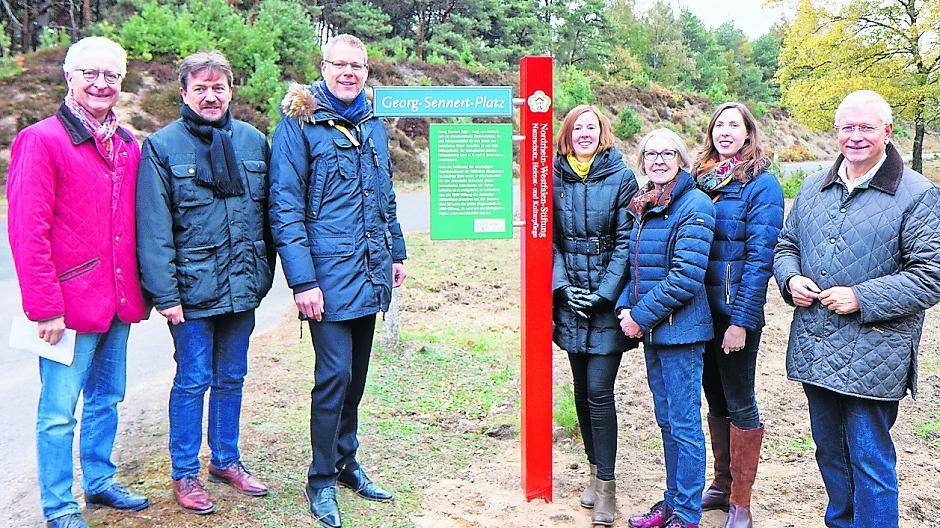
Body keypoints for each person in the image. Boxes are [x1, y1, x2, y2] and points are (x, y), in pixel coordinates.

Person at [774, 89, 940, 527]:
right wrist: (791, 279)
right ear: (836, 131)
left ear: (887, 131)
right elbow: (786, 244)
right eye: (848, 127)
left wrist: (861, 298)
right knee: (829, 453)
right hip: (816, 346)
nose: (856, 136)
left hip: (873, 356)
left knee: (870, 460)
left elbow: (931, 276)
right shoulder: (814, 187)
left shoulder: (918, 194)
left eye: (867, 127)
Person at [6, 36, 150, 528]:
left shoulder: (129, 145)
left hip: (117, 302)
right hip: (65, 307)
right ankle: (60, 507)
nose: (101, 83)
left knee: (107, 398)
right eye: (91, 73)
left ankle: (100, 480)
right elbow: (28, 230)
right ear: (70, 76)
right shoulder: (41, 139)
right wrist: (43, 306)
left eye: (111, 75)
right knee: (58, 412)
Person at [269, 34, 408, 528]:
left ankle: (348, 462)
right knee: (334, 378)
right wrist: (302, 282)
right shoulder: (300, 122)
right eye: (339, 64)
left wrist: (396, 250)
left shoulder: (370, 122)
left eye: (357, 66)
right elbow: (285, 207)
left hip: (370, 273)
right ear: (323, 66)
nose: (348, 72)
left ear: (367, 71)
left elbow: (384, 192)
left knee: (357, 380)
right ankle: (321, 478)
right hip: (325, 279)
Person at [136, 50, 275, 515]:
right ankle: (184, 473)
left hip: (242, 287)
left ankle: (226, 459)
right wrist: (166, 295)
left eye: (219, 88)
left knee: (232, 377)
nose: (211, 96)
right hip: (190, 294)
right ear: (184, 93)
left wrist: (266, 276)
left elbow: (270, 218)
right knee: (193, 380)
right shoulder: (162, 146)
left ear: (231, 90)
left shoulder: (254, 142)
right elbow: (154, 230)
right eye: (201, 88)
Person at [691, 102, 784, 528]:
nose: (725, 132)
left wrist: (742, 321)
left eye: (734, 125)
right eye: (718, 125)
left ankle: (741, 502)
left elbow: (759, 259)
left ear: (749, 134)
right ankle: (722, 483)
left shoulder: (761, 186)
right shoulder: (700, 181)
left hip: (733, 315)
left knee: (740, 400)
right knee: (715, 398)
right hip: (698, 313)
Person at [617, 128, 715, 528]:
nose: (658, 160)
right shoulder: (647, 204)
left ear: (681, 159)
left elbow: (685, 277)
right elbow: (637, 267)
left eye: (667, 153)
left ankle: (688, 514)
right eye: (651, 154)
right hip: (656, 333)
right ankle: (672, 501)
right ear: (642, 161)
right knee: (667, 421)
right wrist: (626, 305)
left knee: (685, 424)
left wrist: (639, 317)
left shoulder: (694, 205)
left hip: (681, 333)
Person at [552, 105, 638, 526]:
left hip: (606, 301)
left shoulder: (622, 177)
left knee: (600, 391)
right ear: (567, 134)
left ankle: (606, 484)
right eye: (577, 128)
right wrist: (562, 287)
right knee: (581, 389)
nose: (584, 133)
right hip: (570, 298)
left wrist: (605, 294)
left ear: (602, 133)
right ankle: (591, 469)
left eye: (592, 127)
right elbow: (547, 238)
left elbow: (627, 240)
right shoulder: (554, 175)